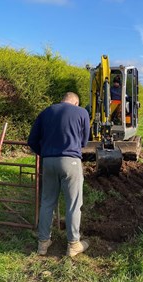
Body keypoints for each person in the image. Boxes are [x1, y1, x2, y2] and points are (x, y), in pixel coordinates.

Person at [28, 92, 90, 257]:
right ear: (75, 102)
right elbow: (84, 141)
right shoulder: (82, 112)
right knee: (73, 204)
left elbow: (32, 140)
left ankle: (43, 243)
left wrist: (46, 153)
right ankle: (73, 244)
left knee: (47, 202)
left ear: (62, 99)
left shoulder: (46, 112)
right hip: (71, 161)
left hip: (48, 162)